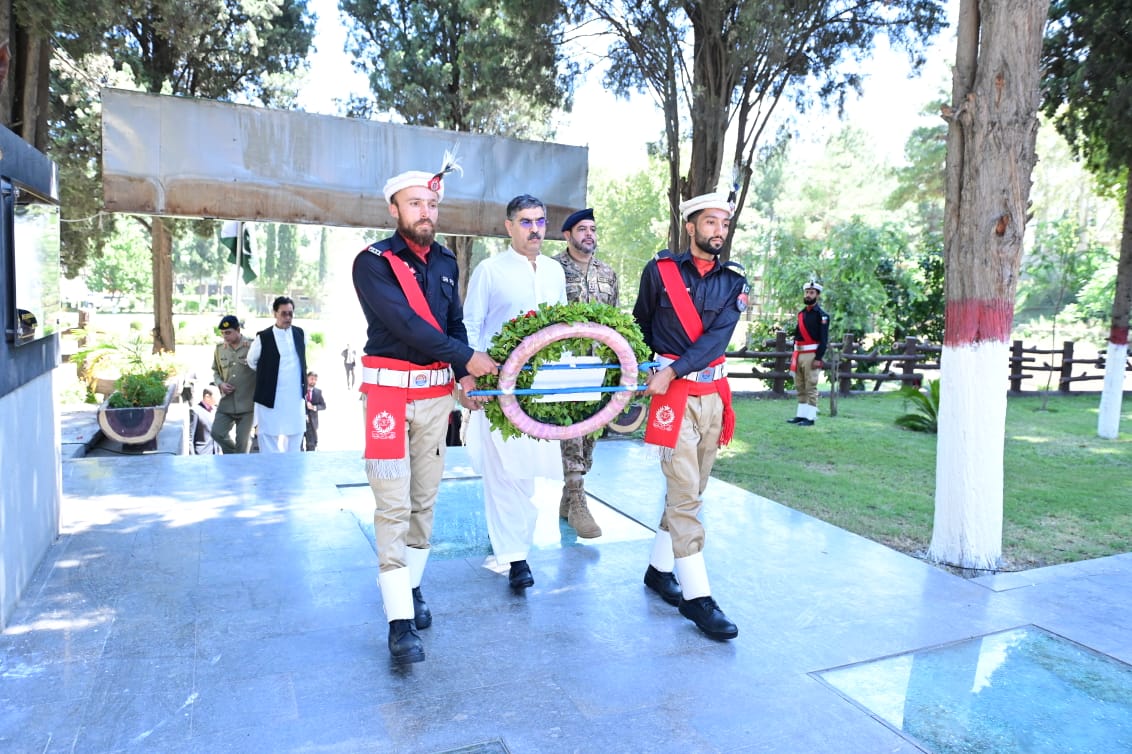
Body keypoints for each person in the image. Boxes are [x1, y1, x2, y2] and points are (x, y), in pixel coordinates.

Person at [352, 158, 497, 665]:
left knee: (423, 502)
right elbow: (409, 326)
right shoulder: (371, 261)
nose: (426, 211)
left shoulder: (445, 263)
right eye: (416, 203)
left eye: (432, 204)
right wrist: (469, 358)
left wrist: (464, 375)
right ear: (394, 208)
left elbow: (453, 324)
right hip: (389, 397)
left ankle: (410, 588)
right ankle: (398, 622)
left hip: (436, 400)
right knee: (392, 506)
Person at [632, 191, 748, 641]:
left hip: (711, 395)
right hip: (671, 398)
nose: (718, 230)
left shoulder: (735, 282)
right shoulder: (659, 271)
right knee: (685, 496)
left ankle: (660, 571)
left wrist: (674, 368)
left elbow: (715, 342)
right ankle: (698, 599)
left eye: (724, 223)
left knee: (692, 490)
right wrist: (648, 369)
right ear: (691, 226)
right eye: (710, 222)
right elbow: (641, 324)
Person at [464, 194, 567, 592]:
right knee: (501, 471)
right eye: (525, 221)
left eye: (540, 221)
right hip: (496, 388)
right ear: (508, 227)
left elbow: (562, 328)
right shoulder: (489, 270)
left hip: (542, 391)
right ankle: (516, 558)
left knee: (527, 475)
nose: (535, 229)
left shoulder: (556, 272)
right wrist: (467, 377)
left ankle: (516, 547)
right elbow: (471, 325)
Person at [552, 207, 619, 539]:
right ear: (567, 235)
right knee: (571, 431)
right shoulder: (552, 269)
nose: (589, 234)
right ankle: (578, 501)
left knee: (591, 434)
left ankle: (568, 499)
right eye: (582, 229)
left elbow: (616, 319)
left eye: (593, 228)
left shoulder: (608, 273)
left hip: (600, 366)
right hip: (565, 365)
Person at [247, 296, 307, 453]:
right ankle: (270, 473)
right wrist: (268, 374)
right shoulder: (263, 337)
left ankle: (292, 471)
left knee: (296, 432)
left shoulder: (300, 334)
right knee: (268, 434)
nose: (287, 318)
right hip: (270, 395)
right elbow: (252, 361)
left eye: (290, 314)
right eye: (283, 314)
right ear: (275, 313)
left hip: (295, 395)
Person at [211, 314, 256, 454]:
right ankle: (236, 457)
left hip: (247, 405)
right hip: (227, 403)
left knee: (242, 444)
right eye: (223, 333)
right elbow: (216, 371)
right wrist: (220, 384)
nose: (225, 336)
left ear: (238, 330)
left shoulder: (252, 346)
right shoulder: (220, 349)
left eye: (228, 332)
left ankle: (238, 464)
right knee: (217, 433)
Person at [788, 280, 829, 427]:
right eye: (807, 292)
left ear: (817, 295)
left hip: (811, 354)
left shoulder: (822, 316)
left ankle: (810, 418)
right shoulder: (801, 314)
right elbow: (797, 335)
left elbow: (824, 340)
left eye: (811, 292)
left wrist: (818, 358)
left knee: (810, 385)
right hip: (798, 354)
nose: (808, 295)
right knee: (799, 385)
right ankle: (801, 415)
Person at [189, 387, 220, 455]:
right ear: (207, 397)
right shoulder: (195, 411)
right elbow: (190, 438)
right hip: (202, 454)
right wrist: (192, 458)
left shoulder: (215, 410)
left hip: (215, 454)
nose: (219, 398)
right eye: (217, 395)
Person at [303, 371, 327, 451]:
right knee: (298, 445)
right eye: (311, 379)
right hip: (300, 421)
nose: (313, 381)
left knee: (311, 445)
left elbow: (323, 406)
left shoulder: (318, 392)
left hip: (312, 423)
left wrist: (314, 407)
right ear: (307, 378)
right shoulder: (301, 390)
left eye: (315, 380)